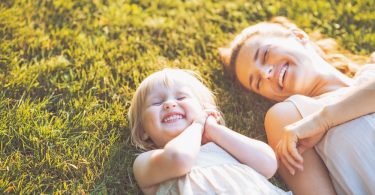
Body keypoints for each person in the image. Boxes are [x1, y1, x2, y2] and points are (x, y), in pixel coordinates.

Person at [219, 17, 375, 195]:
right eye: (258, 82)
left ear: (298, 36)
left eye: (265, 54)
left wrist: (324, 120)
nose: (266, 73)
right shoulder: (290, 118)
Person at [128, 68, 291, 195]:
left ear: (205, 111)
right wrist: (197, 125)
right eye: (156, 102)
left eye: (181, 98)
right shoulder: (148, 161)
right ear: (143, 131)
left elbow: (268, 164)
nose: (170, 104)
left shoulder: (224, 146)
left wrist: (214, 130)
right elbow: (179, 159)